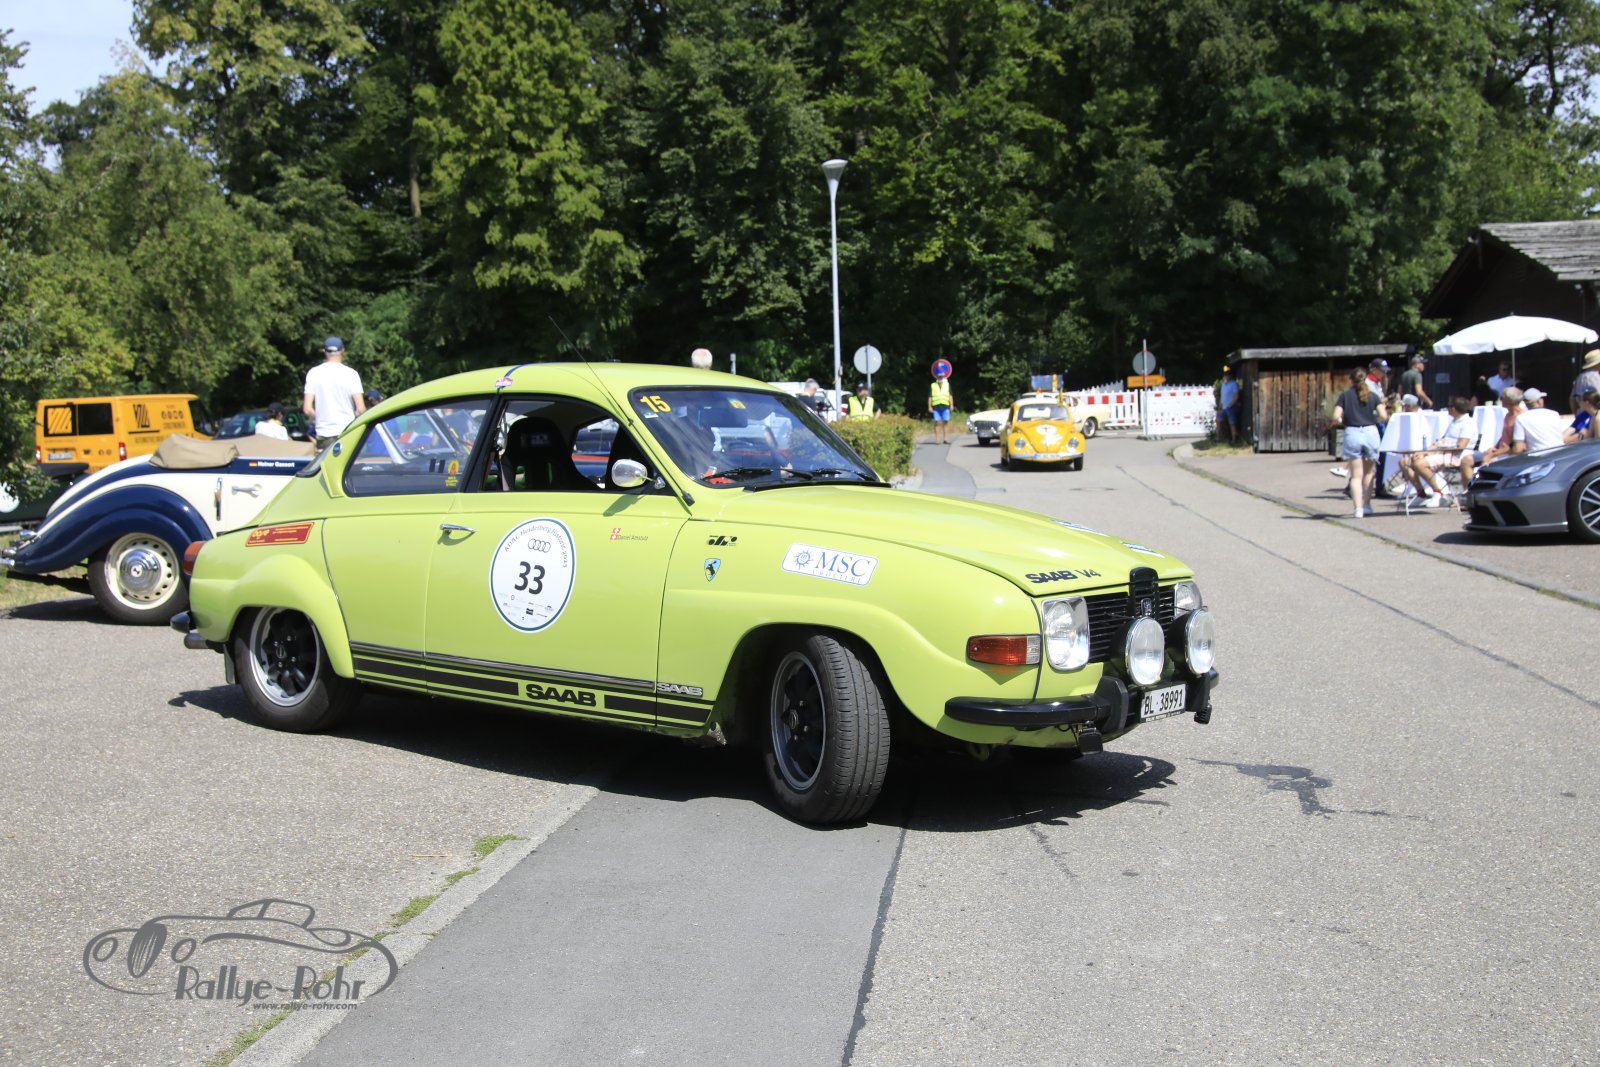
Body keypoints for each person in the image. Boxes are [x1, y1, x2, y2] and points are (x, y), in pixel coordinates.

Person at [1331, 367, 1388, 518]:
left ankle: (1358, 509)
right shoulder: (1373, 396)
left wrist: (1342, 420)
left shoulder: (1345, 396)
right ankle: (1367, 505)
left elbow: (1335, 416)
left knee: (1356, 475)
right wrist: (1374, 420)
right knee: (1369, 473)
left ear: (1351, 380)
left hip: (1353, 431)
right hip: (1370, 431)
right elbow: (1383, 415)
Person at [1400, 396, 1474, 507]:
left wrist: (1438, 449)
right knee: (1404, 462)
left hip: (1455, 456)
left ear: (1453, 408)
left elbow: (1461, 446)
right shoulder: (1454, 422)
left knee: (1419, 464)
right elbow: (1441, 441)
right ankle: (1421, 493)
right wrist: (1425, 452)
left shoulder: (1467, 423)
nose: (1447, 409)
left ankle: (1438, 492)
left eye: (1449, 407)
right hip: (1443, 453)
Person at [303, 336, 366, 449]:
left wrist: (321, 418)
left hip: (324, 433)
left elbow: (307, 409)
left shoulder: (313, 373)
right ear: (342, 351)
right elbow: (360, 409)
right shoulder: (351, 374)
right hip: (347, 431)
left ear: (324, 352)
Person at [1470, 385, 1522, 470]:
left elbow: (1516, 446)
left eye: (1502, 397)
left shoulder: (1520, 418)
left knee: (1485, 463)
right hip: (1501, 451)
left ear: (1510, 401)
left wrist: (1495, 453)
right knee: (1467, 460)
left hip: (1509, 454)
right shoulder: (1508, 415)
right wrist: (1495, 448)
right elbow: (1504, 435)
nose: (1500, 399)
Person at [1512, 387, 1565, 453]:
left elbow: (1518, 448)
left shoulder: (1521, 418)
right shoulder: (1555, 414)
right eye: (1541, 398)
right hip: (1560, 453)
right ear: (1539, 401)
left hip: (1539, 456)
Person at [928, 363, 953, 444]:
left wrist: (951, 405)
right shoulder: (933, 385)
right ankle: (937, 439)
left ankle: (946, 439)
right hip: (936, 407)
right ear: (936, 377)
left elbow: (950, 396)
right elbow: (930, 397)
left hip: (945, 406)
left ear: (943, 377)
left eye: (941, 377)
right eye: (939, 377)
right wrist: (929, 406)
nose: (940, 378)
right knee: (936, 423)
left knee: (946, 423)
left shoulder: (947, 385)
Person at [1218, 368, 1241, 443]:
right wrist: (1220, 406)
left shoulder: (1234, 384)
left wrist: (1230, 405)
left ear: (1230, 376)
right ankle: (1218, 438)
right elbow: (1222, 396)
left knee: (1232, 423)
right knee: (1218, 421)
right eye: (1224, 375)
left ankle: (1234, 439)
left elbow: (1236, 396)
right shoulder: (1223, 385)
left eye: (1227, 375)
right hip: (1224, 407)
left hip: (1231, 407)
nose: (1225, 377)